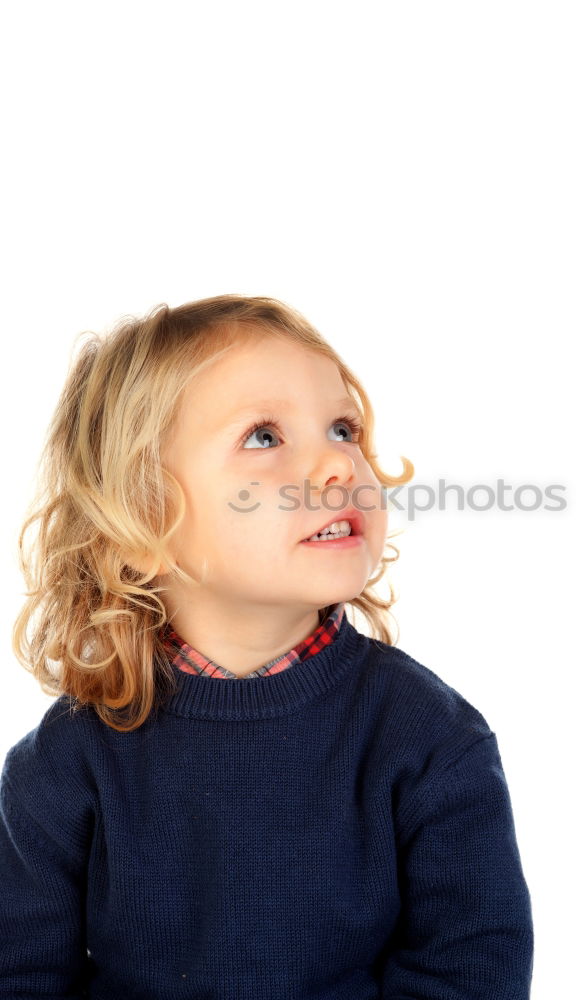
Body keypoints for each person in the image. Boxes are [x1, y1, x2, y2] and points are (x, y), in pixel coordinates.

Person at [0, 293, 534, 998]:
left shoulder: (430, 738)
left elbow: (468, 969)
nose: (341, 466)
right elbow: (22, 974)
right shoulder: (70, 760)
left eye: (343, 428)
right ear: (138, 524)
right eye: (264, 437)